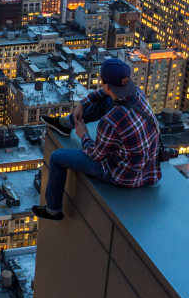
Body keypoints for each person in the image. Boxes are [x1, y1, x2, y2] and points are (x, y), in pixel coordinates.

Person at [32, 58, 161, 221]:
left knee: (57, 158)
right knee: (107, 101)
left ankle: (53, 210)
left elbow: (96, 155)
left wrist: (83, 135)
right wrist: (83, 103)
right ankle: (66, 123)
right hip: (148, 168)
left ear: (106, 84)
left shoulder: (110, 121)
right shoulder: (138, 93)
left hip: (124, 175)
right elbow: (107, 93)